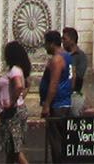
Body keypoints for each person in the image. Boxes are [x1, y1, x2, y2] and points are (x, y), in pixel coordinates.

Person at [40, 30, 74, 162]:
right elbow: (73, 77)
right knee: (63, 140)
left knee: (56, 143)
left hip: (57, 105)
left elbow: (53, 84)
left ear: (52, 44)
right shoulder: (68, 57)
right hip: (65, 102)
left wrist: (47, 105)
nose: (45, 47)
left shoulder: (57, 60)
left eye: (46, 44)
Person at [0, 40, 33, 164]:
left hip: (12, 113)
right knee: (10, 149)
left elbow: (18, 86)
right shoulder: (17, 70)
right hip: (15, 110)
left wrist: (12, 102)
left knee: (15, 150)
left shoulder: (14, 71)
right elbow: (26, 86)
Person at [64, 28, 90, 118]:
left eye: (65, 39)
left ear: (72, 40)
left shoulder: (77, 56)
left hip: (74, 95)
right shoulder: (68, 55)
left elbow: (74, 76)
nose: (63, 42)